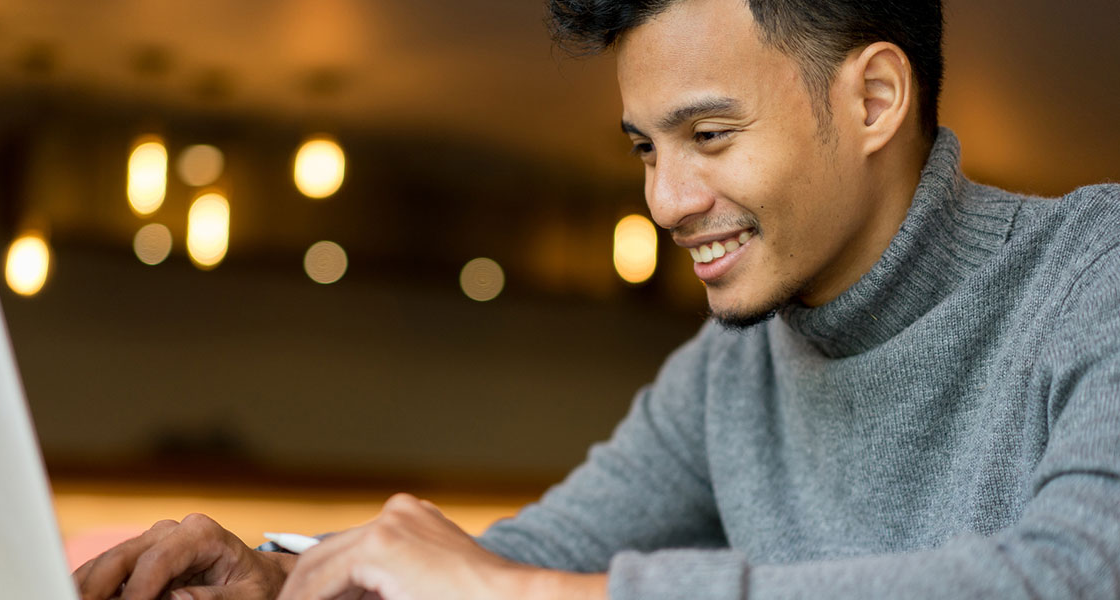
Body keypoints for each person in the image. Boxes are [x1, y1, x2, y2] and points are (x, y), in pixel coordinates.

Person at [74, 0, 1120, 597]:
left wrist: (520, 597)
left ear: (873, 100)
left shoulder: (1095, 268)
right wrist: (277, 580)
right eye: (644, 149)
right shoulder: (729, 373)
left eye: (708, 137)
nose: (665, 200)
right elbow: (521, 560)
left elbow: (1072, 577)